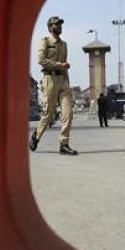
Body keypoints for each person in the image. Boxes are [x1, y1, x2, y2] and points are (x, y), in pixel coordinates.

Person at [29, 15, 77, 155]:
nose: (59, 26)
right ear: (50, 27)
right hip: (49, 79)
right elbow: (41, 60)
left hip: (63, 81)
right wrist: (59, 65)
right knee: (48, 114)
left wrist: (67, 81)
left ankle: (64, 144)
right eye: (56, 24)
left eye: (60, 24)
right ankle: (36, 136)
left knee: (68, 113)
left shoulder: (64, 45)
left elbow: (65, 65)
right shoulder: (45, 42)